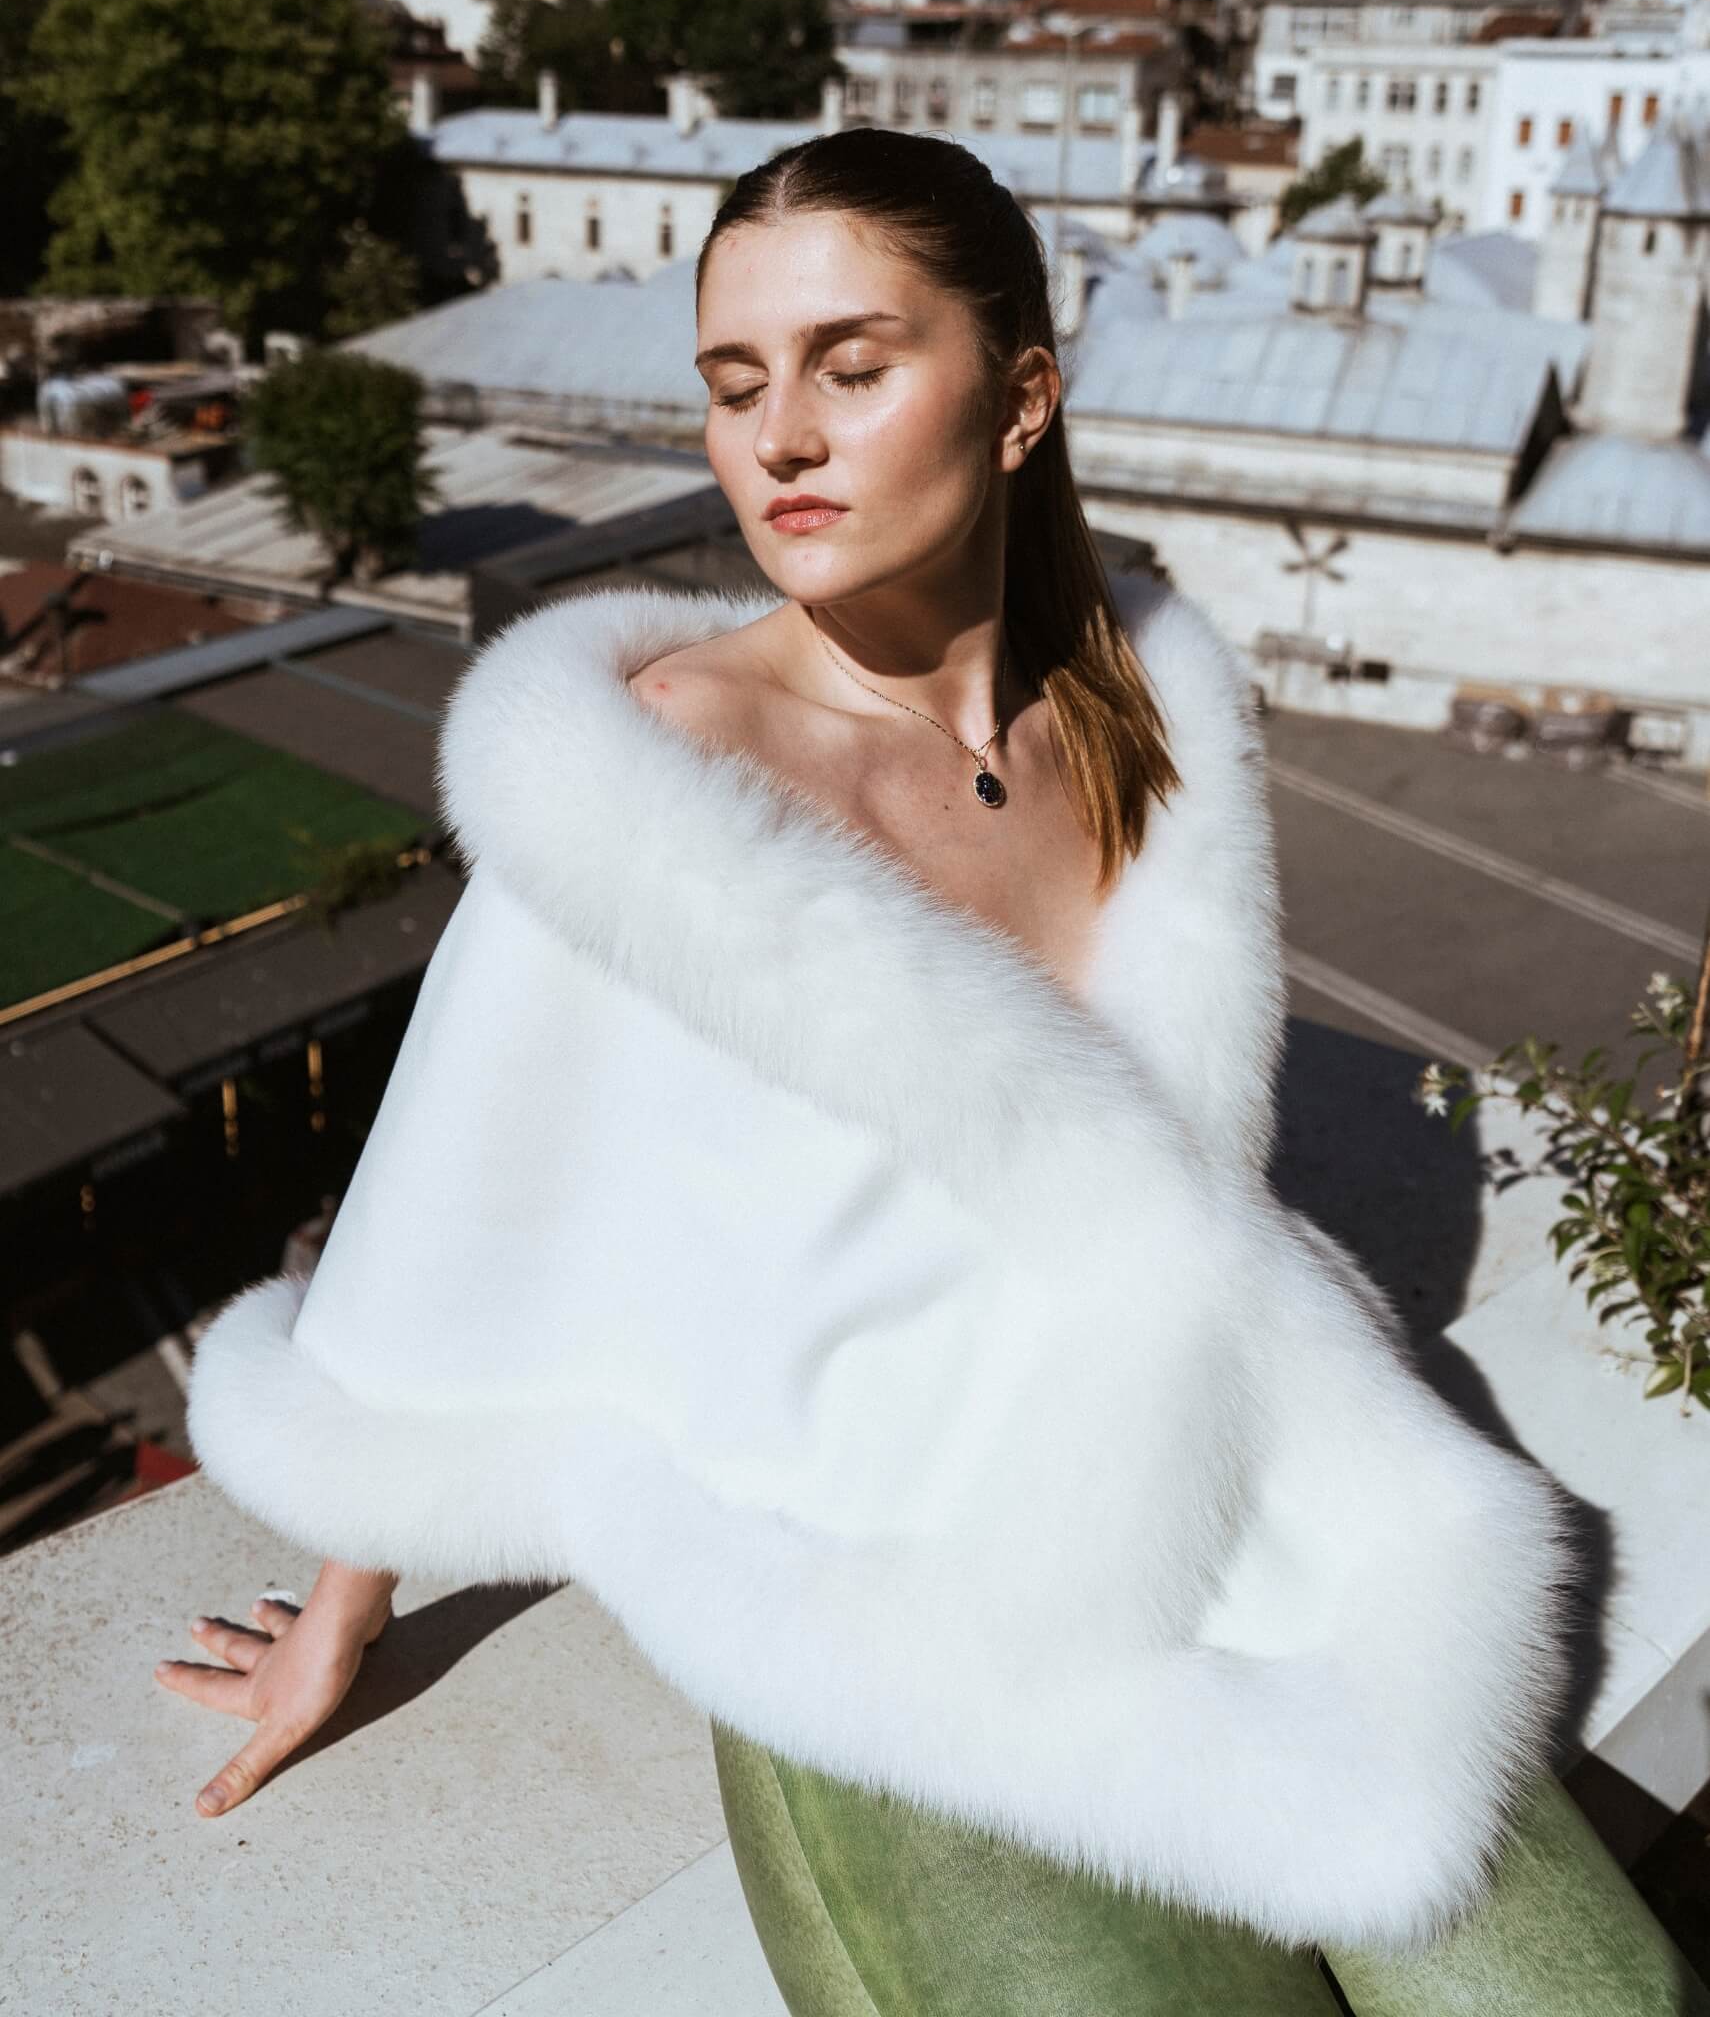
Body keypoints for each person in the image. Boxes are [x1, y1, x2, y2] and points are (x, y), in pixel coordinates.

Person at [163, 130, 1706, 2013]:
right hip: (879, 1576)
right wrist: (343, 1606)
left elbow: (1146, 1148)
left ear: (1022, 397)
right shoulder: (650, 772)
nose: (777, 439)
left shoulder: (1144, 703)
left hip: (1247, 1473)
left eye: (852, 362)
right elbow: (456, 1197)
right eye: (734, 386)